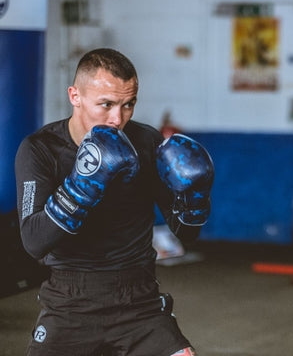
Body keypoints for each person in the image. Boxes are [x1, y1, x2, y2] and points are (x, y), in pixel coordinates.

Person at [14, 48, 214, 356]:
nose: (117, 118)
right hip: (71, 303)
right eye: (105, 104)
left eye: (128, 104)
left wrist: (194, 196)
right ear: (75, 95)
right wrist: (81, 187)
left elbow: (186, 234)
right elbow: (33, 242)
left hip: (139, 302)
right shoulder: (41, 150)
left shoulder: (146, 142)